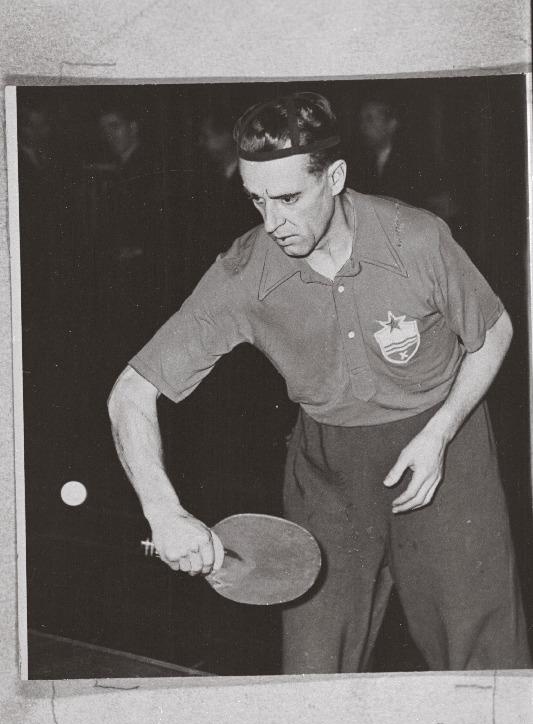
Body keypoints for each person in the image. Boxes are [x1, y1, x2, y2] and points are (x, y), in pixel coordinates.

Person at [108, 91, 531, 674]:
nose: (272, 222)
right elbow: (131, 392)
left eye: (288, 198)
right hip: (328, 471)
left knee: (484, 660)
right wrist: (163, 511)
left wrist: (439, 434)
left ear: (334, 177)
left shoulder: (416, 238)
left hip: (445, 451)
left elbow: (494, 331)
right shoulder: (244, 272)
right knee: (313, 668)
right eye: (256, 200)